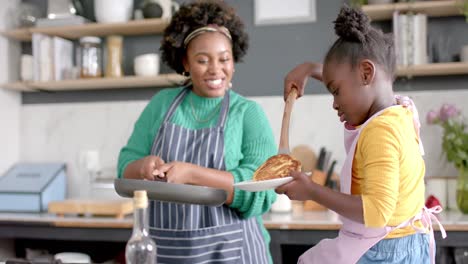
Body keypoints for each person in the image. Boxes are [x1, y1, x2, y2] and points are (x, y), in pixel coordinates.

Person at [277, 5, 446, 264]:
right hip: (409, 241)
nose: (334, 103)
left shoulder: (380, 131)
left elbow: (377, 212)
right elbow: (353, 79)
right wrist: (311, 69)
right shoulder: (401, 109)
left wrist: (312, 190)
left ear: (367, 73)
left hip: (385, 251)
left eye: (335, 91)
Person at [117, 1, 277, 263]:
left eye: (224, 59)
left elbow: (262, 190)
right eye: (203, 60)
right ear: (185, 63)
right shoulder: (161, 105)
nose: (215, 69)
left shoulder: (248, 113)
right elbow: (125, 167)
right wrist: (143, 167)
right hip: (167, 253)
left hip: (234, 253)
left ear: (234, 62)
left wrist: (192, 174)